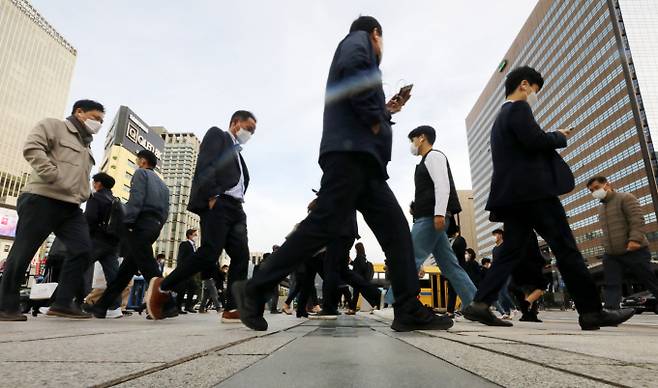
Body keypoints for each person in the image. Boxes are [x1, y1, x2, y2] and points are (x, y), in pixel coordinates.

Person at [232, 16, 452, 332]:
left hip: (365, 162)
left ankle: (407, 308)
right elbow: (354, 74)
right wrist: (375, 117)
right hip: (351, 156)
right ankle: (254, 288)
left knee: (396, 231)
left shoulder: (359, 53)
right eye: (382, 42)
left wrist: (387, 110)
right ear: (376, 34)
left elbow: (360, 97)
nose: (381, 49)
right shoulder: (357, 41)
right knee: (323, 225)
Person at [462, 66, 634, 330]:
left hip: (513, 197)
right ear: (524, 85)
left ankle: (480, 303)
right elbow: (533, 140)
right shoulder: (518, 109)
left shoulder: (500, 119)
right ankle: (591, 311)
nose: (534, 96)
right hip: (534, 193)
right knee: (565, 247)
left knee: (509, 253)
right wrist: (558, 136)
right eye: (534, 90)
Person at [147, 111, 256, 322]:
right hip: (219, 202)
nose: (250, 133)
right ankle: (163, 286)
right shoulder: (218, 135)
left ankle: (233, 308)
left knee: (242, 255)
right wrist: (212, 194)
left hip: (236, 208)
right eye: (248, 127)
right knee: (209, 253)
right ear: (235, 123)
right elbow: (205, 164)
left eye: (253, 131)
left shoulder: (238, 154)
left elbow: (241, 179)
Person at [0, 100, 104, 321]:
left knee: (83, 250)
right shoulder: (54, 126)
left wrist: (83, 193)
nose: (99, 124)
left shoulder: (86, 146)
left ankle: (63, 302)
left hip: (72, 206)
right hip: (42, 198)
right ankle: (5, 306)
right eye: (95, 118)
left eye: (102, 121)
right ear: (79, 112)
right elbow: (32, 148)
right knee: (23, 252)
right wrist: (53, 176)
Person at [89, 150, 170, 319]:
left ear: (142, 161)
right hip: (155, 225)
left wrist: (129, 221)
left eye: (137, 160)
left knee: (148, 265)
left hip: (141, 222)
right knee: (126, 270)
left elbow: (136, 199)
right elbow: (166, 211)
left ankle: (168, 304)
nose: (136, 163)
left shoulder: (141, 173)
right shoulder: (163, 185)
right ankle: (102, 306)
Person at [408, 125, 477, 313]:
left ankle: (403, 303)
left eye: (412, 140)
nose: (412, 145)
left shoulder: (434, 156)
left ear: (421, 138)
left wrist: (439, 213)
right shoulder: (425, 160)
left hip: (431, 218)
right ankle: (476, 304)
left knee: (409, 258)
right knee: (450, 266)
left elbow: (442, 185)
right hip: (431, 217)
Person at [587, 176, 658, 311]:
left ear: (607, 184)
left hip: (634, 249)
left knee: (649, 279)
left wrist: (635, 240)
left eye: (596, 188)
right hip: (612, 254)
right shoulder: (602, 208)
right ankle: (611, 311)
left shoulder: (626, 198)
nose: (594, 192)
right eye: (591, 190)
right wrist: (606, 247)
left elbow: (637, 219)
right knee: (611, 283)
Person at [80, 173, 122, 318]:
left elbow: (90, 218)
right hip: (112, 243)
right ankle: (115, 307)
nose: (93, 184)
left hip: (96, 240)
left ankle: (67, 302)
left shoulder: (95, 197)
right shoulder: (116, 200)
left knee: (77, 267)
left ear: (99, 184)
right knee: (113, 276)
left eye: (94, 182)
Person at [491, 229, 516, 319]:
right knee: (500, 293)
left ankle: (513, 309)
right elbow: (494, 262)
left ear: (500, 235)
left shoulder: (505, 246)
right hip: (498, 272)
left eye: (495, 235)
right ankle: (506, 312)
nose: (494, 237)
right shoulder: (494, 249)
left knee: (504, 291)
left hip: (506, 271)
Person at [176, 229, 200, 314]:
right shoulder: (184, 244)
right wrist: (180, 270)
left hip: (190, 271)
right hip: (183, 270)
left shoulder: (194, 246)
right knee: (182, 289)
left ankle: (188, 307)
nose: (196, 236)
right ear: (189, 235)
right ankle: (178, 308)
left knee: (193, 287)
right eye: (194, 235)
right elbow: (180, 257)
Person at [447, 227, 467, 316]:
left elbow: (459, 253)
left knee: (463, 289)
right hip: (452, 269)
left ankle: (470, 308)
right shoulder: (450, 241)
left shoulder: (460, 240)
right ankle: (450, 311)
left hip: (458, 267)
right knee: (452, 291)